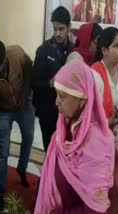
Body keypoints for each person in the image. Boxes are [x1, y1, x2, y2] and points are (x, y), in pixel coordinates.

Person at [35, 60, 115, 213]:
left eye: (63, 96)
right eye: (57, 94)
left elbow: (95, 209)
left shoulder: (97, 143)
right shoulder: (63, 132)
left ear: (82, 99)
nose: (57, 102)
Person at [0, 40, 34, 211]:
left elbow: (29, 69)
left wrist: (25, 95)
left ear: (4, 58)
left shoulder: (17, 53)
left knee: (29, 137)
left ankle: (22, 169)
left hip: (24, 105)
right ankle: (0, 193)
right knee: (3, 150)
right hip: (3, 111)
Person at [33, 6, 74, 152]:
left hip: (69, 112)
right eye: (55, 29)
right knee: (50, 151)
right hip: (48, 111)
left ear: (69, 27)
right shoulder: (43, 50)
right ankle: (47, 174)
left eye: (61, 29)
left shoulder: (74, 51)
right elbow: (35, 83)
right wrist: (51, 82)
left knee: (66, 152)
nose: (57, 33)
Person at [92, 27, 118, 164]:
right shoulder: (94, 75)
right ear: (104, 50)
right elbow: (89, 116)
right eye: (116, 46)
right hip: (100, 144)